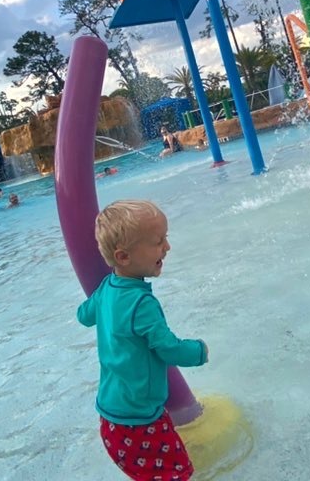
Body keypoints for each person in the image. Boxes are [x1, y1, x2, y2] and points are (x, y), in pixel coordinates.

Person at [77, 200, 207, 480]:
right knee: (179, 474)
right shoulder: (141, 303)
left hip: (110, 419)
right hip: (140, 423)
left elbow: (83, 316)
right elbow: (169, 349)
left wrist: (101, 305)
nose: (167, 247)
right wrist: (198, 351)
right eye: (158, 242)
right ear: (123, 257)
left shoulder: (106, 289)